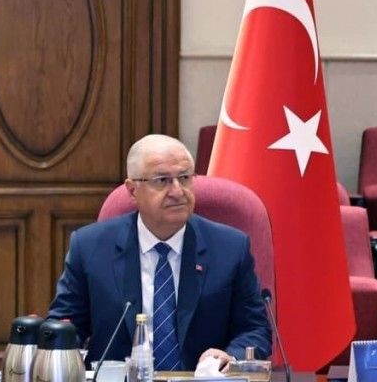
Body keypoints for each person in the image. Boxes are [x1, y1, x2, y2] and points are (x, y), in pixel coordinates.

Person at [48, 134, 270, 370]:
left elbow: (255, 330)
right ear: (132, 191)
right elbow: (64, 327)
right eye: (162, 180)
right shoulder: (89, 247)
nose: (177, 191)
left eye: (184, 178)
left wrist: (230, 357)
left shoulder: (231, 248)